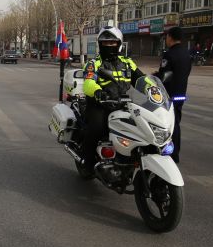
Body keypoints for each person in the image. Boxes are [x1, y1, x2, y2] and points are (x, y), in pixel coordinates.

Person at [81, 27, 146, 175]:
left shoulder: (128, 62)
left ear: (119, 44)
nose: (109, 46)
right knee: (97, 128)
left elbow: (142, 79)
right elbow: (88, 83)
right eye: (106, 43)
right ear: (100, 44)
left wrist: (153, 88)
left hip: (125, 102)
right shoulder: (94, 63)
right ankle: (88, 162)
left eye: (112, 43)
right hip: (100, 104)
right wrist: (98, 92)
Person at [154, 26, 191, 164]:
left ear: (171, 37)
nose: (166, 39)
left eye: (167, 37)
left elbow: (164, 75)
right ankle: (175, 154)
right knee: (176, 123)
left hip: (168, 95)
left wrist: (154, 75)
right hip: (181, 94)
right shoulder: (186, 54)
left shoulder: (169, 54)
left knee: (166, 124)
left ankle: (167, 152)